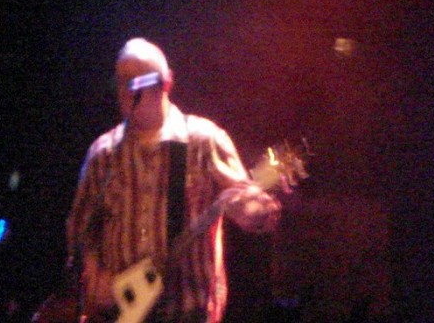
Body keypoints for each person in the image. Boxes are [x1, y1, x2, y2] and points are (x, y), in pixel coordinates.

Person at [64, 38, 282, 322]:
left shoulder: (203, 141)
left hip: (187, 311)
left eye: (135, 81)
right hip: (118, 313)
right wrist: (94, 277)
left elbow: (250, 209)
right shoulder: (103, 153)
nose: (125, 91)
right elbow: (81, 229)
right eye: (120, 82)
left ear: (165, 83)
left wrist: (252, 211)